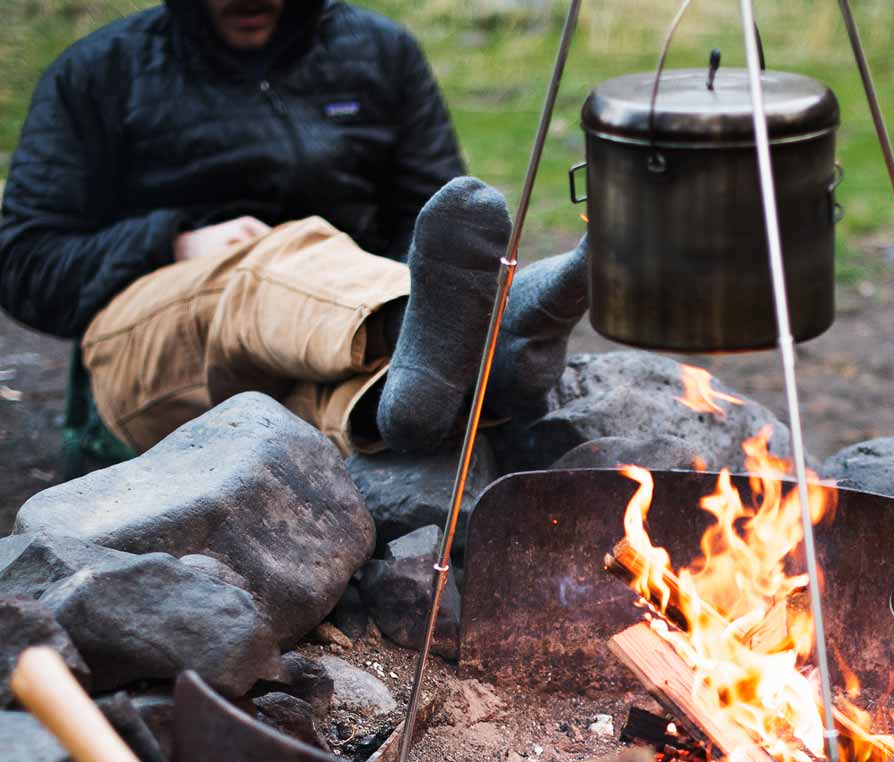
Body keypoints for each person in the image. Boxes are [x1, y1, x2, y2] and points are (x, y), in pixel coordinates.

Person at [0, 0, 588, 456]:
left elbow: (430, 222)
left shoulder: (380, 55)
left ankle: (398, 395)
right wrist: (171, 241)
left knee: (373, 397)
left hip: (329, 347)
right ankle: (477, 335)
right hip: (159, 339)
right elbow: (23, 262)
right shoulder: (97, 75)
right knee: (274, 259)